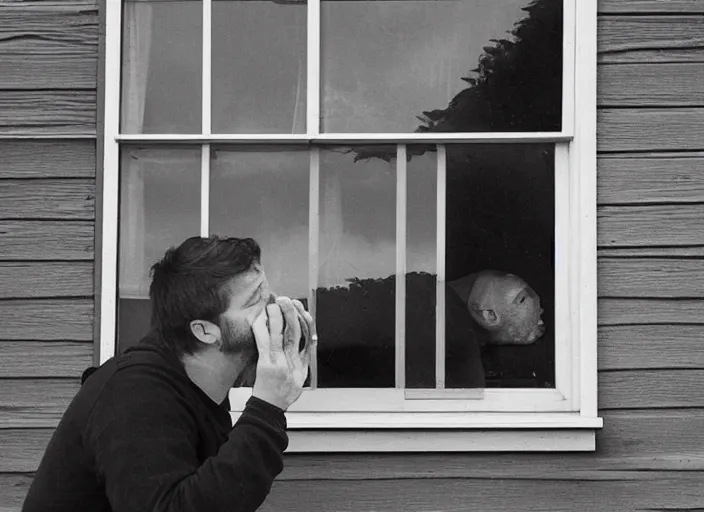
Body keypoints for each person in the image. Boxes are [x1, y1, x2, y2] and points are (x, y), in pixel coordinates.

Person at [22, 235, 316, 512]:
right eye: (256, 301)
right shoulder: (135, 396)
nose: (275, 308)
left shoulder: (197, 386)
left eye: (269, 292)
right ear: (204, 331)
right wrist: (267, 409)